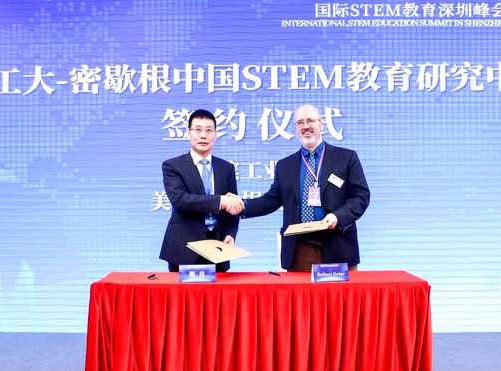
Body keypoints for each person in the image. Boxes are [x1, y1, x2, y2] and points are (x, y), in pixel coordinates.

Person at [239, 104, 370, 271]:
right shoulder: (285, 165)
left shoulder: (346, 157)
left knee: (340, 290)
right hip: (300, 249)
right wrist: (242, 206)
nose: (306, 126)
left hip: (339, 245)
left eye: (310, 121)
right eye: (300, 122)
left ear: (321, 124)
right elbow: (271, 200)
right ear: (296, 129)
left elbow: (360, 196)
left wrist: (337, 216)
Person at [159, 109, 244, 272]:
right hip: (184, 248)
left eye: (209, 130)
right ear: (188, 133)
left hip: (219, 249)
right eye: (198, 130)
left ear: (215, 135)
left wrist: (230, 234)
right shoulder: (173, 166)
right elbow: (180, 200)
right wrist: (220, 201)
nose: (203, 135)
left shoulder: (226, 168)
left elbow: (232, 207)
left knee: (219, 290)